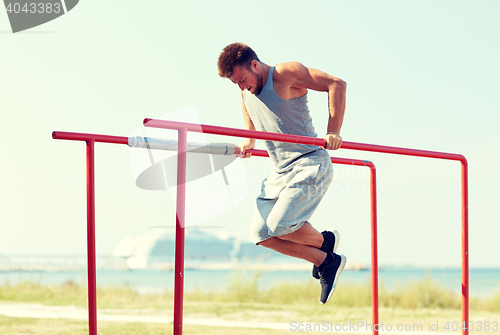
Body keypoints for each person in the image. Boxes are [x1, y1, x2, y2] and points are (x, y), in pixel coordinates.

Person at [217, 42, 347, 304]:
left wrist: (333, 130)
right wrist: (250, 139)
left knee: (281, 226)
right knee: (261, 235)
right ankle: (326, 260)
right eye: (236, 84)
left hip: (309, 162)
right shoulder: (246, 91)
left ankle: (325, 241)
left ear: (254, 65)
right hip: (280, 172)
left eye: (242, 80)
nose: (242, 87)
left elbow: (336, 84)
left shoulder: (285, 74)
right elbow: (247, 105)